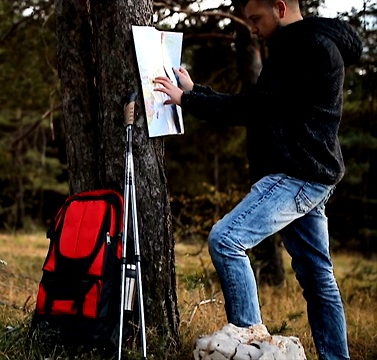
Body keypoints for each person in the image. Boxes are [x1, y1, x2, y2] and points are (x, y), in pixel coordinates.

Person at [153, 0, 362, 359]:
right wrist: (196, 91)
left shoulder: (301, 47)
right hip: (314, 175)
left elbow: (254, 109)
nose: (251, 28)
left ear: (280, 8)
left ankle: (248, 349)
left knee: (226, 240)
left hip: (296, 175)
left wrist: (188, 100)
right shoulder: (315, 41)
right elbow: (262, 102)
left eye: (255, 19)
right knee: (317, 278)